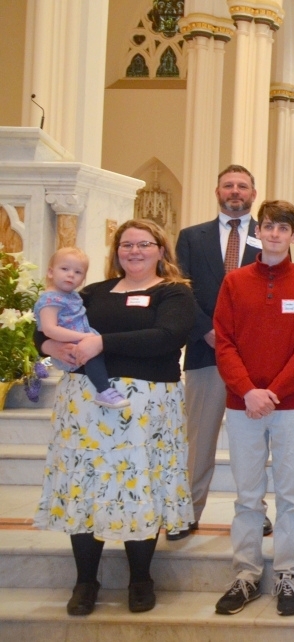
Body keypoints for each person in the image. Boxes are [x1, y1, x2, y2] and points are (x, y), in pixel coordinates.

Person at [34, 219, 196, 615]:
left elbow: (168, 337)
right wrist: (55, 345)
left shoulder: (174, 292)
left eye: (144, 244)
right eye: (127, 245)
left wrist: (100, 342)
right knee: (87, 488)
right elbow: (44, 329)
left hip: (147, 406)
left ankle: (140, 579)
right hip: (85, 405)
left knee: (138, 487)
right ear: (116, 252)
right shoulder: (92, 292)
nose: (135, 251)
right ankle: (85, 581)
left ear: (161, 249)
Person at [212, 200, 294, 617]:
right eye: (268, 226)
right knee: (247, 496)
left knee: (292, 495)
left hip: (292, 405)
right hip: (243, 405)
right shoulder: (235, 282)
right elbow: (223, 341)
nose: (275, 233)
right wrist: (248, 391)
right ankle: (245, 574)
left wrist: (273, 392)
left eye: (283, 227)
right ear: (258, 232)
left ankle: (288, 571)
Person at [173, 164, 270, 541]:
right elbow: (181, 290)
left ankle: (254, 511)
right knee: (199, 437)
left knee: (253, 442)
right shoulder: (191, 237)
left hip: (254, 358)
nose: (235, 191)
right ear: (217, 192)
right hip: (205, 351)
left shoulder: (270, 234)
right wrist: (208, 331)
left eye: (242, 186)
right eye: (228, 185)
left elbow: (273, 293)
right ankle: (187, 510)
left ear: (253, 194)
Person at [33, 247, 128, 409]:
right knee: (92, 355)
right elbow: (49, 329)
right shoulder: (50, 299)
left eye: (78, 272)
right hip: (72, 345)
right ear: (50, 272)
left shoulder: (72, 295)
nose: (71, 274)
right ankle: (103, 391)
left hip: (81, 338)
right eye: (64, 269)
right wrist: (84, 338)